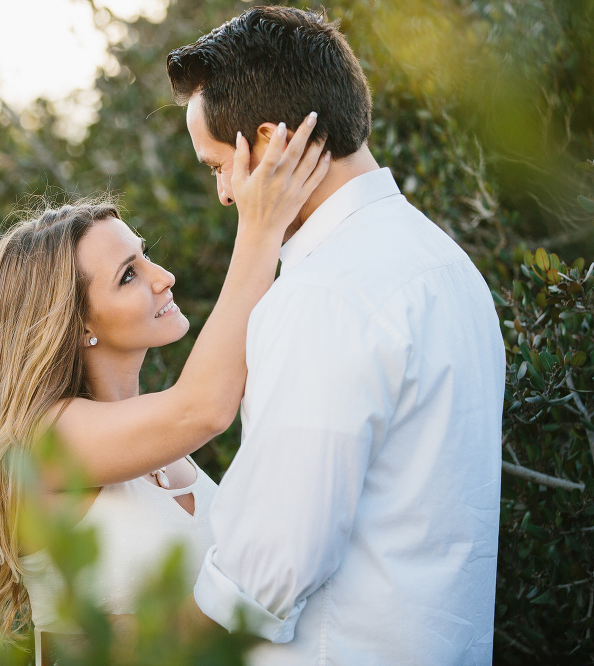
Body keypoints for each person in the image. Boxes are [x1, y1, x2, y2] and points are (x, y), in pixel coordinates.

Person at [166, 6, 505, 664]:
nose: (224, 196)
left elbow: (267, 564)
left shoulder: (326, 293)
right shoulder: (447, 264)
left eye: (217, 166)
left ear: (266, 145)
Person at [0, 116, 330, 663]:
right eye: (129, 274)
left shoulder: (158, 441)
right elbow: (203, 408)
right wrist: (261, 228)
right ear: (75, 322)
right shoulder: (45, 440)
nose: (163, 276)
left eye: (144, 255)